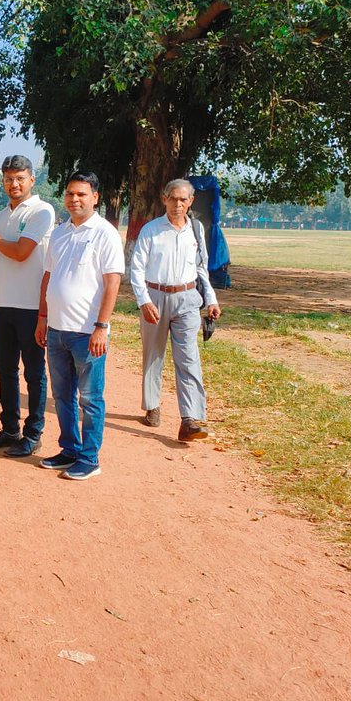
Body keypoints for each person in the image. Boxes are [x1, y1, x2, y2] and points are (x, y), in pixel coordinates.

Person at [35, 171, 124, 481]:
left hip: (88, 333)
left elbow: (112, 282)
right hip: (57, 329)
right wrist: (43, 318)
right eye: (70, 194)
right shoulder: (59, 234)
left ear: (95, 197)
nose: (75, 199)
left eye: (82, 194)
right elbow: (48, 277)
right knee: (62, 396)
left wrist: (102, 325)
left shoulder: (105, 233)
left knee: (90, 398)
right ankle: (69, 449)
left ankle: (89, 457)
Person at [0, 156, 55, 457]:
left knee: (34, 373)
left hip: (32, 305)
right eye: (8, 178)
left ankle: (33, 434)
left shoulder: (42, 211)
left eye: (20, 178)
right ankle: (9, 429)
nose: (14, 184)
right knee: (5, 370)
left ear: (32, 179)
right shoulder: (5, 214)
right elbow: (0, 258)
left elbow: (21, 252)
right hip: (5, 305)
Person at [130, 178, 222, 442]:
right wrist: (144, 301)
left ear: (190, 201)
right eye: (173, 199)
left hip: (187, 298)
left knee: (188, 357)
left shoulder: (195, 230)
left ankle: (190, 419)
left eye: (183, 199)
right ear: (164, 199)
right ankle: (152, 405)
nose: (178, 204)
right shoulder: (151, 230)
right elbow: (136, 269)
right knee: (153, 355)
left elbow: (202, 268)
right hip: (155, 297)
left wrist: (211, 299)